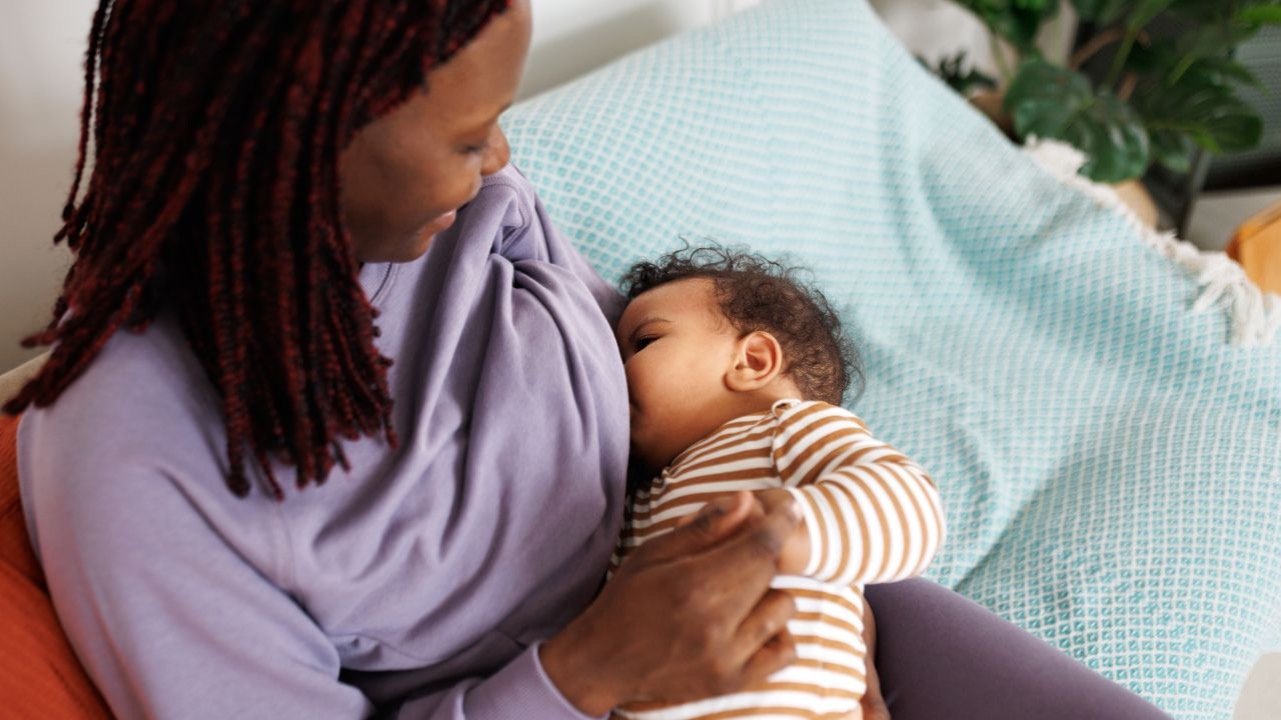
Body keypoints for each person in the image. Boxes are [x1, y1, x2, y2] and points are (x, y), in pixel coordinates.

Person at [5, 1, 1174, 718]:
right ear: (301, 139)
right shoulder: (129, 449)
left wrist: (827, 612)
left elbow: (663, 371)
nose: (506, 157)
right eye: (470, 134)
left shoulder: (475, 209)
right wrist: (586, 673)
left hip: (784, 599)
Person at [608, 246, 943, 720]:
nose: (610, 369)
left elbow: (910, 506)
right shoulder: (632, 496)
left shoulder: (785, 431)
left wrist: (790, 532)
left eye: (643, 343)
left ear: (754, 360)